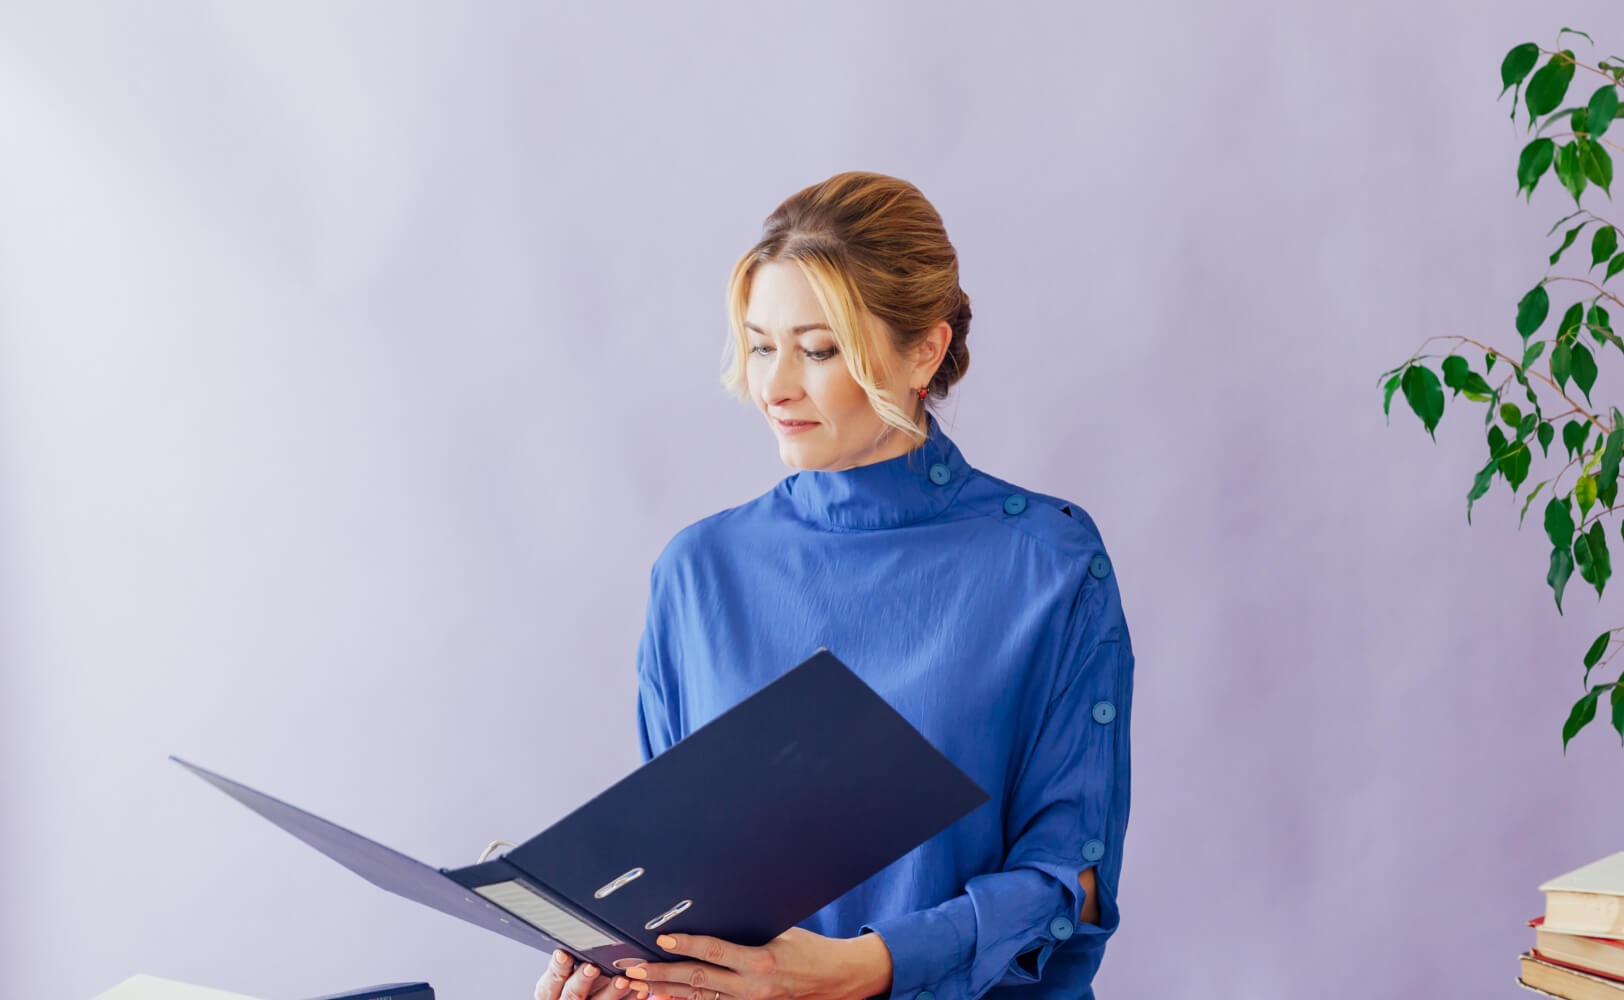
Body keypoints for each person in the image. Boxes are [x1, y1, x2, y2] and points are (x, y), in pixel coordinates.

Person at [534, 171, 1134, 1000]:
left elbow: (1072, 885)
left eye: (818, 351)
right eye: (758, 344)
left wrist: (860, 970)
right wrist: (628, 973)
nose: (773, 386)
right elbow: (679, 898)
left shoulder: (1047, 564)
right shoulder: (699, 573)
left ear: (924, 348)